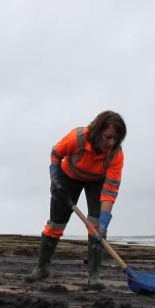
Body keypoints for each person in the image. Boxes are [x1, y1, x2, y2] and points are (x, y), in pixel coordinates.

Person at [25, 111, 127, 289]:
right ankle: (42, 268)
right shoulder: (77, 138)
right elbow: (56, 153)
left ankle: (94, 277)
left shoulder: (116, 154)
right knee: (55, 224)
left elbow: (110, 190)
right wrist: (55, 179)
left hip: (97, 181)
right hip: (68, 176)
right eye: (108, 137)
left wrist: (104, 221)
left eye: (116, 139)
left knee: (96, 227)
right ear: (98, 131)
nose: (111, 143)